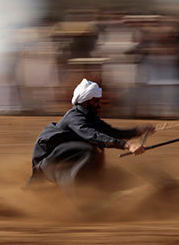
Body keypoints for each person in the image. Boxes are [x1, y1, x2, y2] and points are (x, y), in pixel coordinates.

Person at [27, 78, 155, 192]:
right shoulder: (75, 118)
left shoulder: (90, 117)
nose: (99, 104)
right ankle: (76, 193)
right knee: (88, 150)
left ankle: (93, 188)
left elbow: (111, 132)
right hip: (46, 165)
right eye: (96, 101)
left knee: (97, 150)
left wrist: (138, 131)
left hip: (59, 159)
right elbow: (93, 136)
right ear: (85, 102)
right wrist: (128, 145)